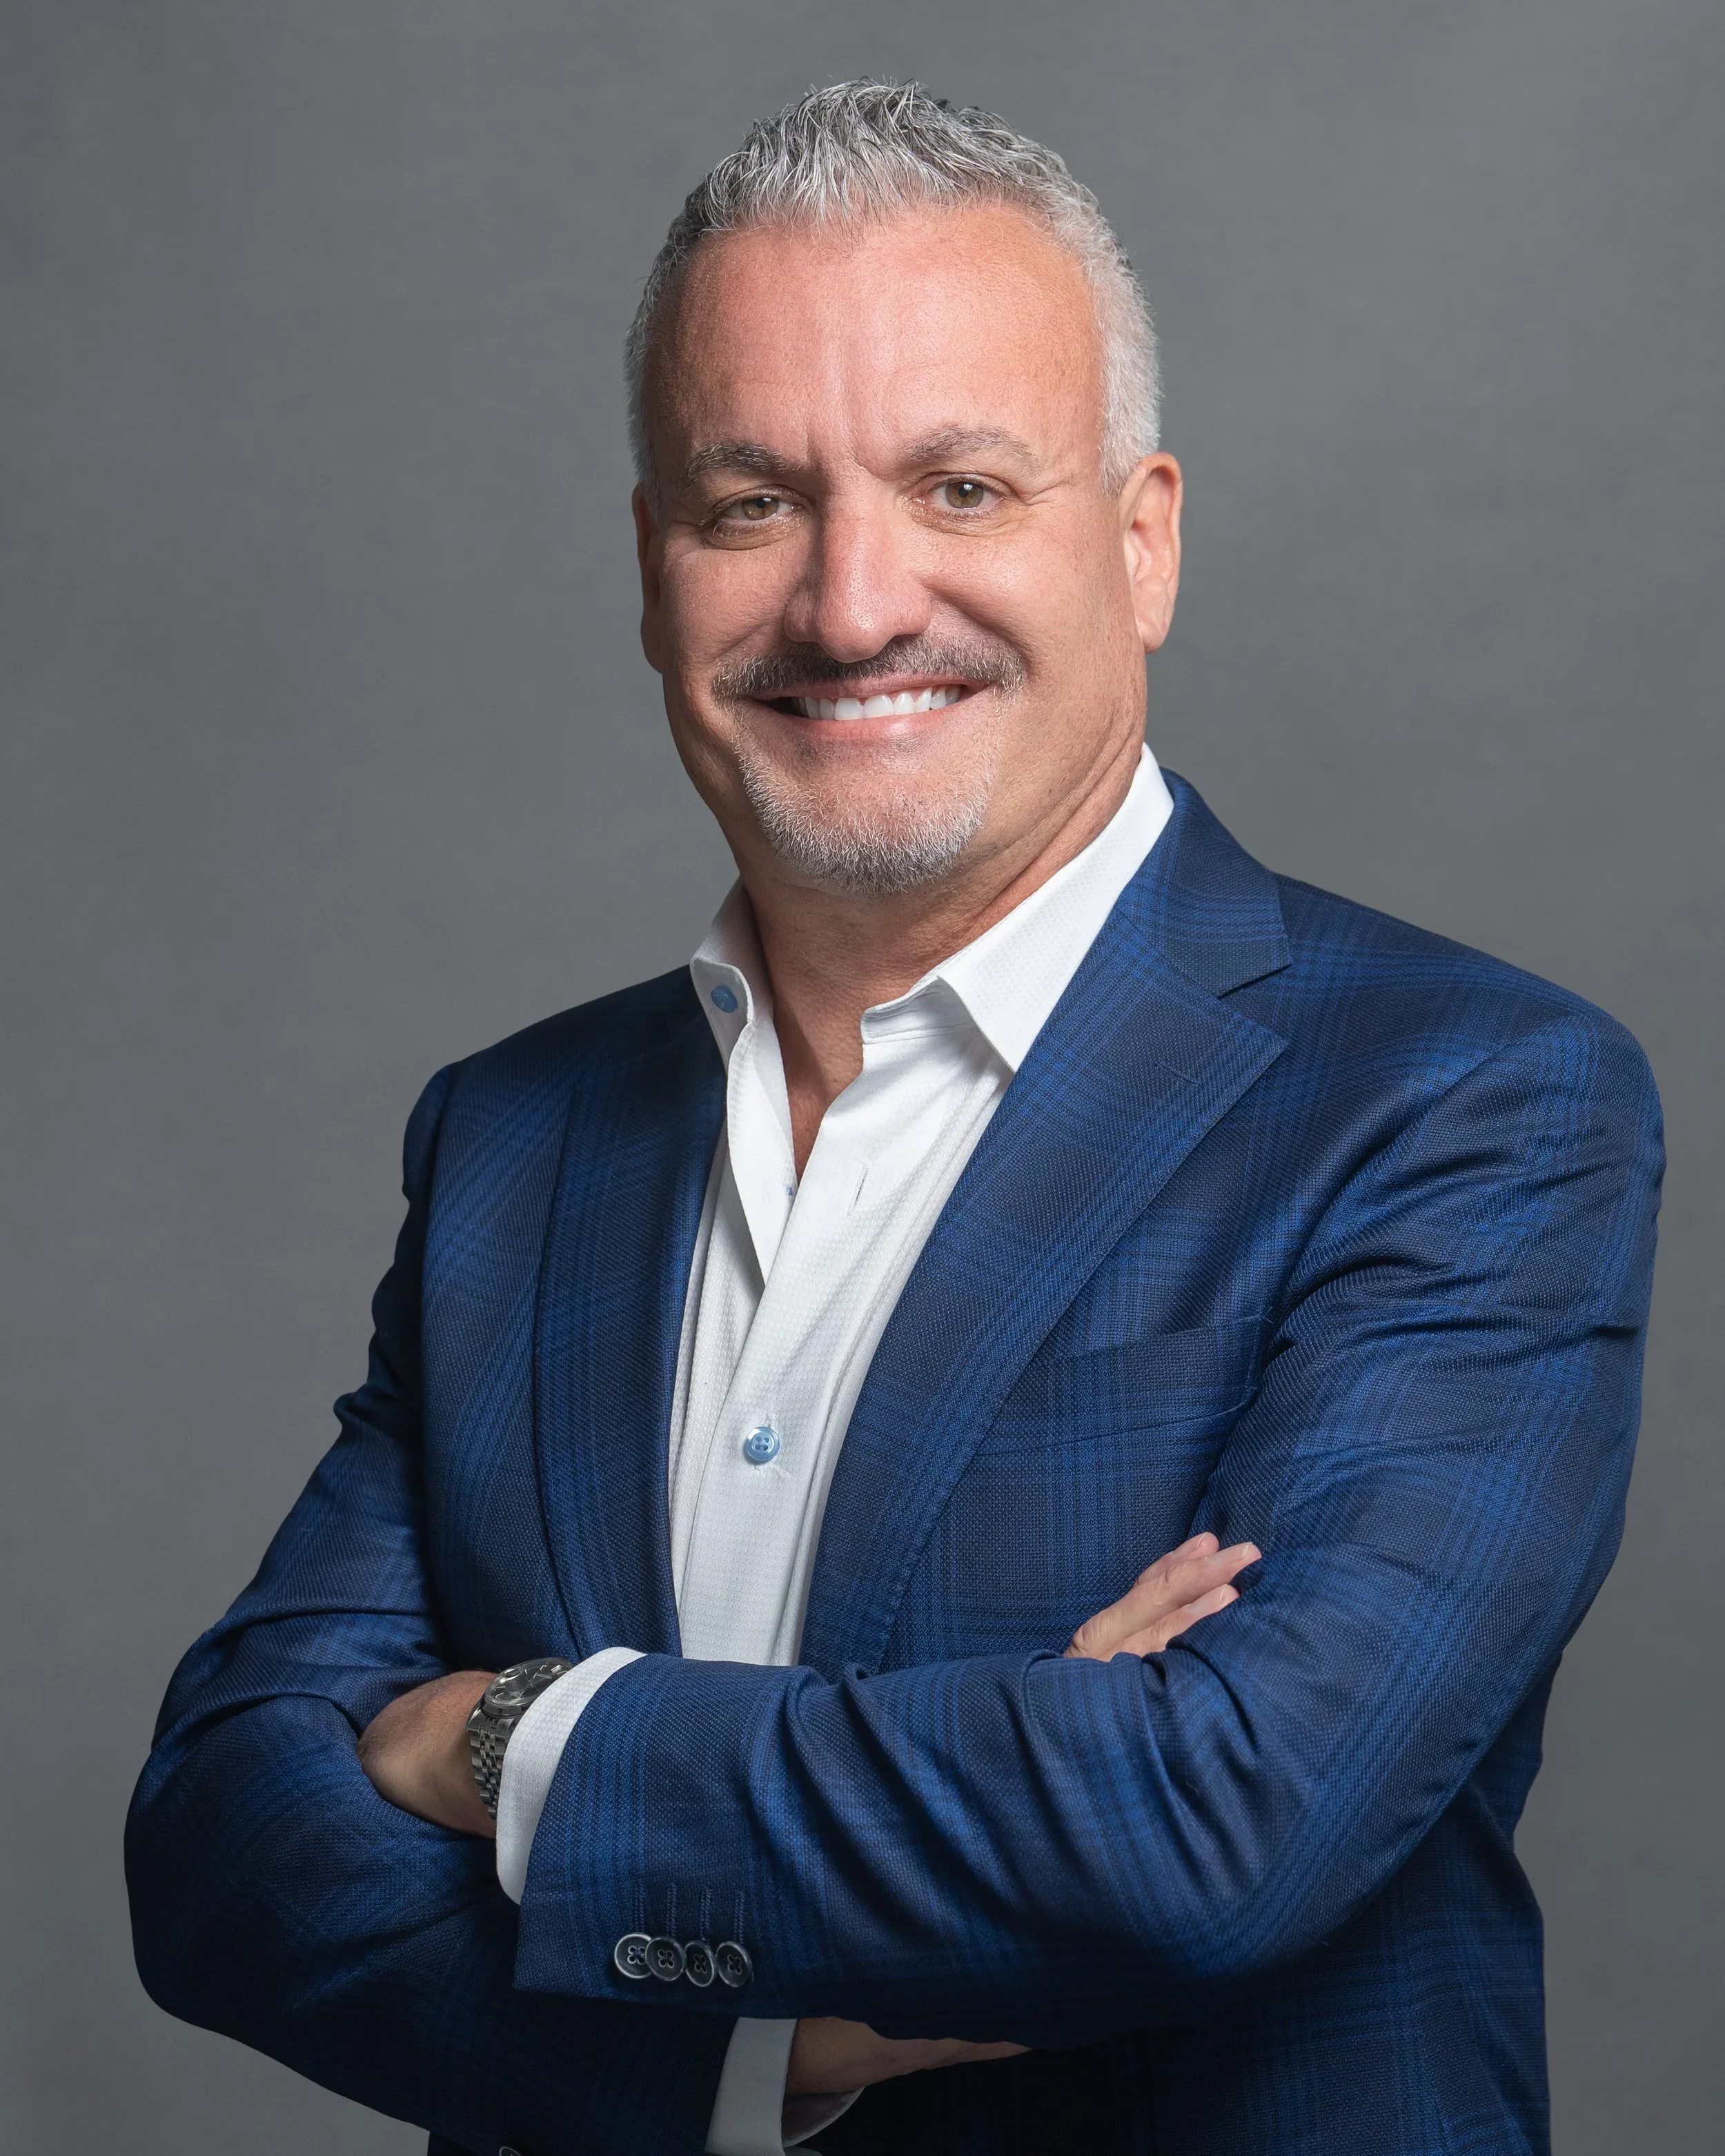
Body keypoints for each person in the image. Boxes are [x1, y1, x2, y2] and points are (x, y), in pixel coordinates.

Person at [126, 79, 1663, 2156]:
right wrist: (760, 2048)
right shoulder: (515, 1140)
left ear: (1141, 540)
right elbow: (221, 1849)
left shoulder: (1464, 1101)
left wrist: (505, 1738)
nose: (852, 606)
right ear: (652, 567)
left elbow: (1213, 1825)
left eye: (961, 487)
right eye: (750, 503)